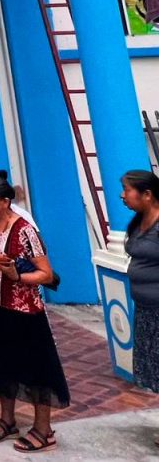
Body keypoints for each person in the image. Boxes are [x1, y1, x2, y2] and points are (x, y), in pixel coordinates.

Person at [0, 171, 68, 454]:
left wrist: (16, 276)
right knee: (0, 363)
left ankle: (43, 429)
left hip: (23, 310)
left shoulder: (23, 230)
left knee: (36, 368)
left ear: (5, 201)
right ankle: (7, 419)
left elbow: (46, 274)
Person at [121, 169, 159, 450]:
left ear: (147, 194)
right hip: (146, 310)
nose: (122, 195)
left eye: (127, 190)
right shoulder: (139, 222)